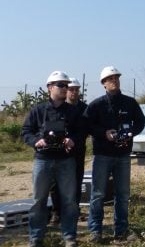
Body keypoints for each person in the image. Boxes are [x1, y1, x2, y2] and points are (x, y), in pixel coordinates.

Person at [83, 66, 145, 243]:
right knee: (98, 194)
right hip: (102, 155)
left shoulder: (129, 102)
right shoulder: (96, 105)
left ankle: (121, 230)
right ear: (103, 84)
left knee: (123, 194)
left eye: (116, 77)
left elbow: (141, 121)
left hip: (123, 155)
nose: (114, 81)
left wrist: (131, 132)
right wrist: (104, 133)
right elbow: (87, 125)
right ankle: (96, 231)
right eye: (110, 79)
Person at [21, 71, 82, 247]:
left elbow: (81, 132)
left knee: (69, 200)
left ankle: (69, 236)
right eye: (61, 85)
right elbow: (26, 131)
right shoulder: (38, 110)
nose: (65, 88)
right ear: (50, 87)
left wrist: (73, 140)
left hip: (66, 160)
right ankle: (36, 237)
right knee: (39, 199)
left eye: (66, 85)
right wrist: (36, 141)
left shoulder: (73, 111)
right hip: (43, 159)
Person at [49, 77, 88, 223]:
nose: (73, 92)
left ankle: (74, 210)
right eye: (71, 89)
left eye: (76, 89)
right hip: (58, 151)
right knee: (55, 182)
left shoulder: (84, 108)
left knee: (76, 181)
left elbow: (86, 129)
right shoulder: (58, 107)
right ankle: (56, 212)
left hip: (77, 150)